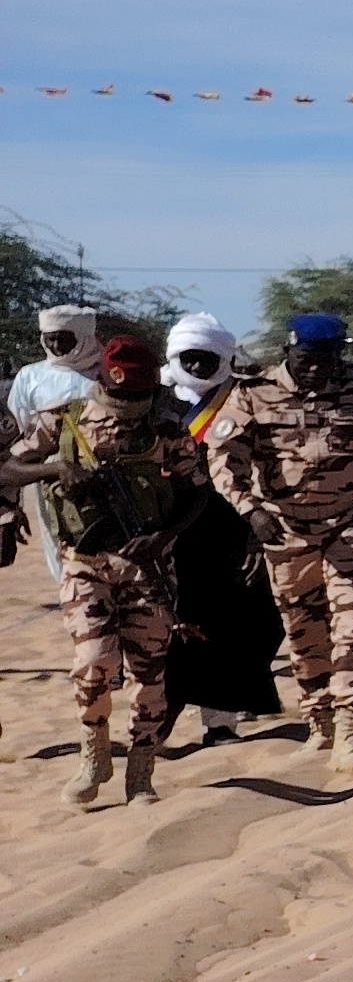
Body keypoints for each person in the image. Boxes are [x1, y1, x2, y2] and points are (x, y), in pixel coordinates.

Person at [206, 313, 353, 779]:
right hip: (286, 530)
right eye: (307, 359)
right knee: (304, 629)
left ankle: (351, 727)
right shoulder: (252, 392)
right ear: (288, 351)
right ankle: (319, 723)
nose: (316, 369)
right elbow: (224, 460)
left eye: (327, 359)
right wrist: (251, 510)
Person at [0, 330, 209, 806]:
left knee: (149, 670)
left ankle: (141, 770)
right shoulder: (64, 421)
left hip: (147, 566)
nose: (128, 402)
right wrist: (54, 470)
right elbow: (8, 471)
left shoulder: (166, 429)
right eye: (119, 393)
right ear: (102, 380)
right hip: (85, 563)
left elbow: (199, 492)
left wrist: (164, 535)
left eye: (138, 394)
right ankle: (93, 754)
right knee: (93, 663)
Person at [158, 315, 286, 748]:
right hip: (169, 535)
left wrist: (256, 531)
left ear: (224, 358)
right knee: (173, 629)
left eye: (207, 359)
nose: (196, 368)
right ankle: (159, 719)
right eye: (189, 359)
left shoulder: (245, 401)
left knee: (237, 626)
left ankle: (220, 721)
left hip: (233, 531)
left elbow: (271, 466)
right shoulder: (155, 405)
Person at [14, 306, 101, 601]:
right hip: (50, 472)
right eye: (49, 339)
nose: (55, 346)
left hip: (103, 468)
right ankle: (71, 594)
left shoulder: (108, 372)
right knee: (57, 534)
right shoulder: (30, 376)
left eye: (63, 338)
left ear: (84, 336)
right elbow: (19, 433)